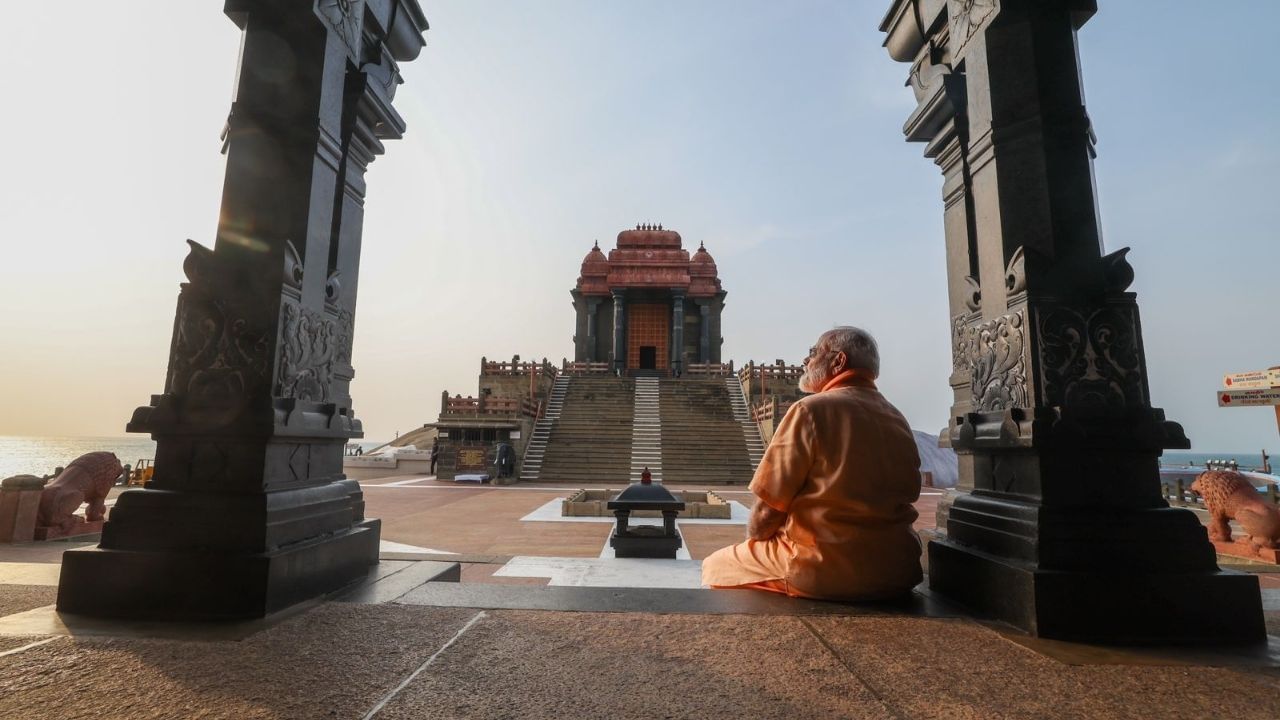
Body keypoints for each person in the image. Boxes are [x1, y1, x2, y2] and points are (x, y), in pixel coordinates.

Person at [701, 326, 923, 601]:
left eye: (814, 352)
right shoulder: (896, 417)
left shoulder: (809, 410)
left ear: (838, 362)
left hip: (822, 568)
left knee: (714, 566)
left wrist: (762, 540)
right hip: (898, 568)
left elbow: (764, 517)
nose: (806, 361)